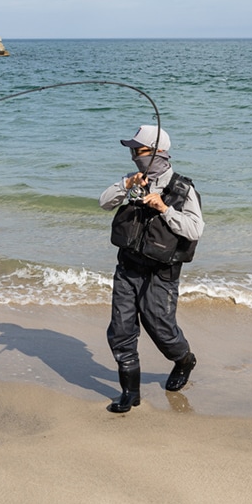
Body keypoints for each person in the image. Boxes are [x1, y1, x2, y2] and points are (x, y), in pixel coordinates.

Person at [99, 125, 204, 413]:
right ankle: (130, 394)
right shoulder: (133, 180)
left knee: (161, 329)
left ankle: (184, 360)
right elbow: (104, 202)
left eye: (139, 150)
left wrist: (165, 209)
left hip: (161, 273)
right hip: (128, 267)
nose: (134, 155)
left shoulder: (183, 189)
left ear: (159, 153)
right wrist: (125, 186)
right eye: (132, 151)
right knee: (121, 330)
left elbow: (195, 229)